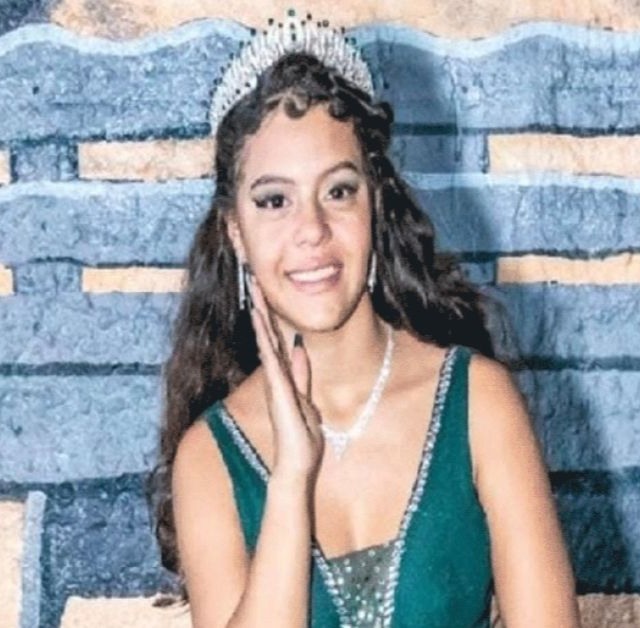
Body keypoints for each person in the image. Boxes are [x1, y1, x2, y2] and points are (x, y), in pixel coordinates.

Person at [151, 14, 581, 628]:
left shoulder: (478, 402)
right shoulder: (210, 458)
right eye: (274, 200)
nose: (312, 230)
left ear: (375, 204)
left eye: (338, 191)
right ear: (236, 233)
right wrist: (291, 477)